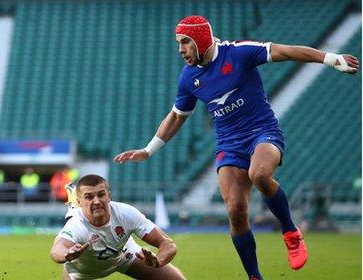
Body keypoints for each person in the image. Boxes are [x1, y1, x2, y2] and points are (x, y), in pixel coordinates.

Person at [114, 15, 359, 279]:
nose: (180, 49)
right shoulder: (188, 78)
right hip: (229, 144)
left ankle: (290, 231)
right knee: (235, 209)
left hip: (262, 132)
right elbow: (176, 116)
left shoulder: (239, 53)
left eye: (185, 42)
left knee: (260, 174)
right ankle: (254, 276)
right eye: (178, 43)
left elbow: (285, 51)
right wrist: (148, 150)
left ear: (201, 40)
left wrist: (330, 58)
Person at [51, 174, 185, 280]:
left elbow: (168, 244)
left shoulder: (126, 213)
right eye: (89, 197)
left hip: (123, 256)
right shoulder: (76, 225)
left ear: (109, 196)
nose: (97, 201)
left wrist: (159, 261)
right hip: (80, 273)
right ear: (79, 202)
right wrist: (67, 254)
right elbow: (57, 250)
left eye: (101, 194)